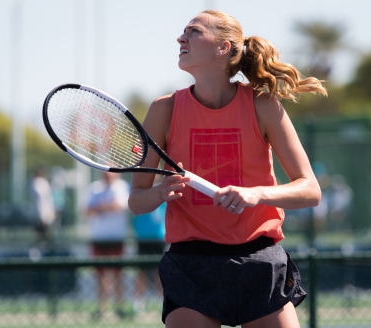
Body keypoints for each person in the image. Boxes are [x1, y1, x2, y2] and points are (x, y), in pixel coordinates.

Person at [128, 10, 326, 328]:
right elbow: (137, 201)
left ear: (222, 47)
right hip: (190, 266)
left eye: (193, 31)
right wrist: (160, 192)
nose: (181, 38)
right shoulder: (163, 109)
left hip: (260, 261)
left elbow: (310, 189)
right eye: (183, 32)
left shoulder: (263, 105)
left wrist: (255, 195)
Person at [86, 171, 130, 319]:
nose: (108, 175)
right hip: (98, 238)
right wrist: (107, 206)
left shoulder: (122, 187)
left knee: (118, 274)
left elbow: (120, 205)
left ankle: (119, 306)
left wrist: (100, 206)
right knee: (100, 275)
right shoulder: (94, 188)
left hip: (117, 238)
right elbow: (87, 210)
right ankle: (102, 307)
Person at [132, 188, 167, 313]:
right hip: (143, 238)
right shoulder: (138, 193)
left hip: (158, 238)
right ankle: (138, 302)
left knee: (160, 272)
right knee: (141, 271)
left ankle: (162, 301)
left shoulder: (164, 191)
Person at [30, 166, 56, 249]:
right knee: (43, 238)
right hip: (42, 216)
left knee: (46, 238)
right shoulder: (38, 183)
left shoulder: (41, 182)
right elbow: (40, 201)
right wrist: (42, 216)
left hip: (44, 215)